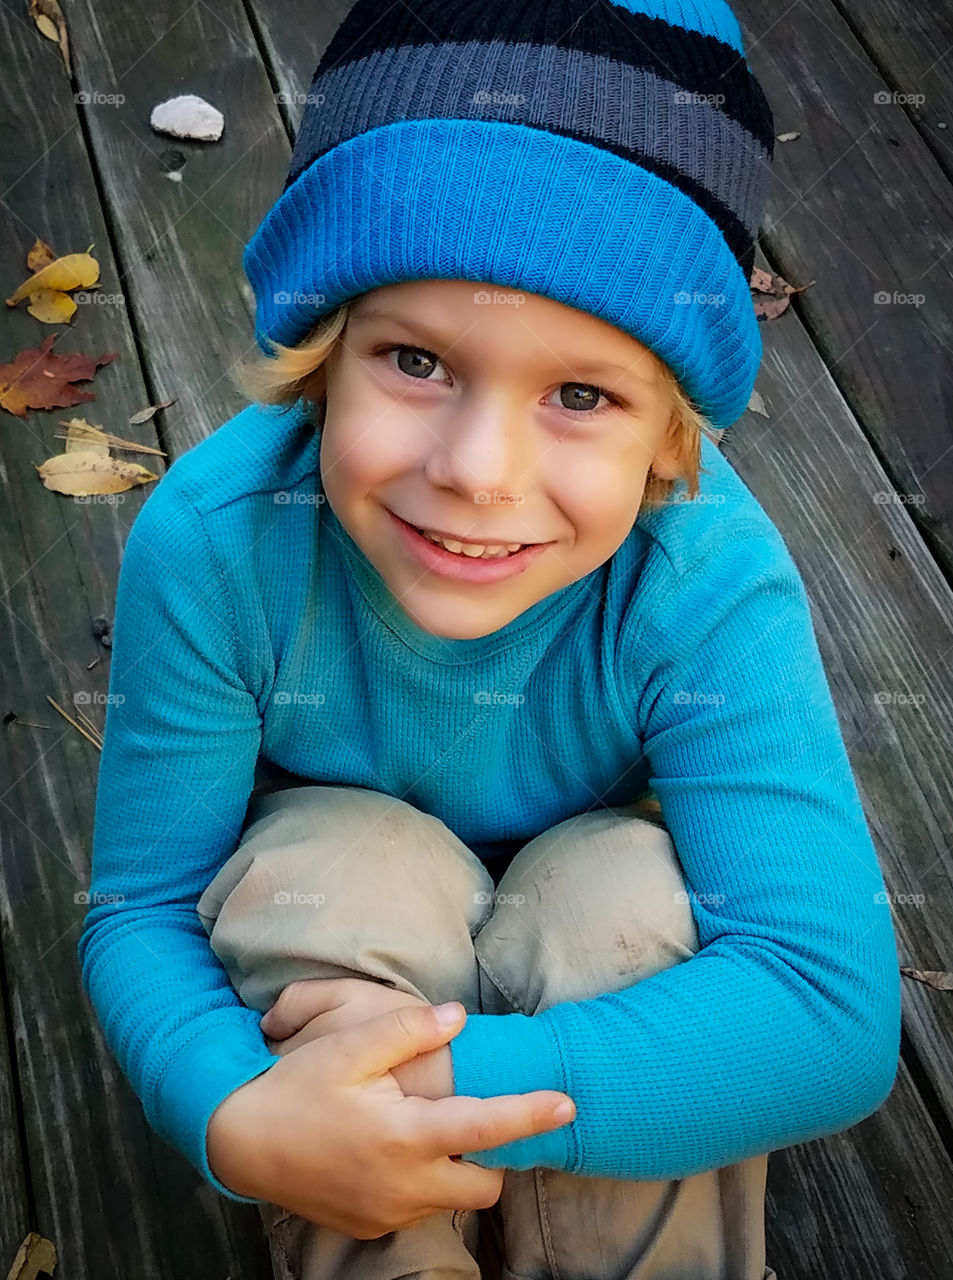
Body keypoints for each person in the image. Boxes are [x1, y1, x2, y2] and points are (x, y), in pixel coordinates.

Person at [77, 1, 902, 1277]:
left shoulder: (703, 580)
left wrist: (433, 1078)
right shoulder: (215, 543)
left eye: (580, 394)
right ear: (321, 352)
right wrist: (239, 1117)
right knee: (338, 859)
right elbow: (138, 906)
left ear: (670, 434)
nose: (475, 469)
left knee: (622, 899)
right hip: (342, 930)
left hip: (578, 964)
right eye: (414, 358)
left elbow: (827, 1004)